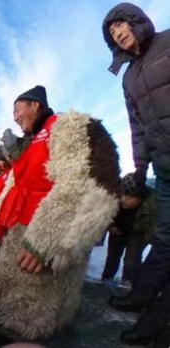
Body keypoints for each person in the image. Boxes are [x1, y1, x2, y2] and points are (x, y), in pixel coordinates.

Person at [0, 85, 121, 340]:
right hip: (20, 232)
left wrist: (46, 242)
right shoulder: (34, 140)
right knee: (7, 311)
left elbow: (89, 182)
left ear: (35, 104)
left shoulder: (69, 127)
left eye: (17, 108)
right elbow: (18, 181)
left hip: (43, 238)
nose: (14, 116)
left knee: (31, 319)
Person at [103, 4, 170, 346]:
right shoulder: (129, 77)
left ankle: (153, 329)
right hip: (165, 166)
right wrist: (141, 169)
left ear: (136, 22)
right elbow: (137, 128)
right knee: (164, 239)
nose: (119, 35)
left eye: (121, 26)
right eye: (113, 35)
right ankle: (140, 296)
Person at [101, 173, 156, 286]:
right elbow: (104, 213)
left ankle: (129, 283)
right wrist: (111, 226)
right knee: (113, 256)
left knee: (132, 259)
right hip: (118, 229)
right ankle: (106, 279)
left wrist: (146, 238)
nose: (123, 199)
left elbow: (153, 225)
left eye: (129, 196)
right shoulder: (114, 197)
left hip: (138, 232)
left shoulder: (152, 205)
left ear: (139, 197)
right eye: (123, 194)